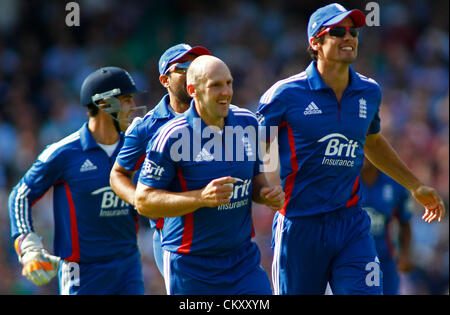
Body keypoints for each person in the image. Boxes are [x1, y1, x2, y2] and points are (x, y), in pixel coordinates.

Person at [257, 3, 445, 295]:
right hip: (299, 224)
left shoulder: (369, 91)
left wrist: (415, 185)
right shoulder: (284, 94)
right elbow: (258, 143)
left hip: (351, 223)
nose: (349, 38)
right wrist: (268, 184)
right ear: (315, 42)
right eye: (338, 32)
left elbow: (372, 141)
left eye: (354, 32)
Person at [134, 55, 284, 295]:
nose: (225, 92)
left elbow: (256, 180)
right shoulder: (171, 136)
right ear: (193, 90)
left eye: (229, 83)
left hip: (243, 261)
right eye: (215, 85)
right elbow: (143, 201)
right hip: (191, 266)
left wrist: (266, 194)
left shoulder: (249, 123)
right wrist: (201, 198)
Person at [8, 66, 147, 295]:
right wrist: (28, 245)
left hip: (127, 265)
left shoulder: (134, 149)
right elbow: (20, 195)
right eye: (127, 100)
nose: (132, 107)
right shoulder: (63, 152)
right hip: (81, 271)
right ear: (103, 104)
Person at [110, 43, 211, 275]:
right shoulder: (147, 127)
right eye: (184, 67)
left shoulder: (223, 116)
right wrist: (140, 200)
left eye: (197, 65)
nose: (193, 72)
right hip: (175, 239)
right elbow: (118, 174)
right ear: (165, 80)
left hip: (222, 233)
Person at [360, 158, 413, 295]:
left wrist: (404, 255)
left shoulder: (394, 184)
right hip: (353, 258)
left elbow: (405, 222)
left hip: (385, 259)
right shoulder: (347, 181)